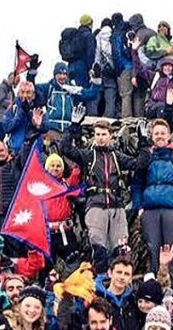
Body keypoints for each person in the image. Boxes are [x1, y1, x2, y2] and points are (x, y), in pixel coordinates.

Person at [59, 114, 137, 273]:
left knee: (121, 248)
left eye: (104, 134)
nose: (100, 138)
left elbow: (140, 162)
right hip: (95, 203)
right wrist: (74, 126)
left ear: (111, 135)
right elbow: (65, 149)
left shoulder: (117, 156)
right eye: (97, 134)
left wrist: (143, 142)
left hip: (116, 205)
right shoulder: (88, 155)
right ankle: (100, 280)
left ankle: (119, 280)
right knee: (98, 247)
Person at [132, 119, 173, 273]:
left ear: (169, 136)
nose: (159, 136)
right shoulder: (146, 157)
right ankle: (153, 284)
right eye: (156, 133)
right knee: (152, 247)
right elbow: (137, 183)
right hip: (150, 210)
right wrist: (139, 207)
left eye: (162, 133)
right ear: (152, 136)